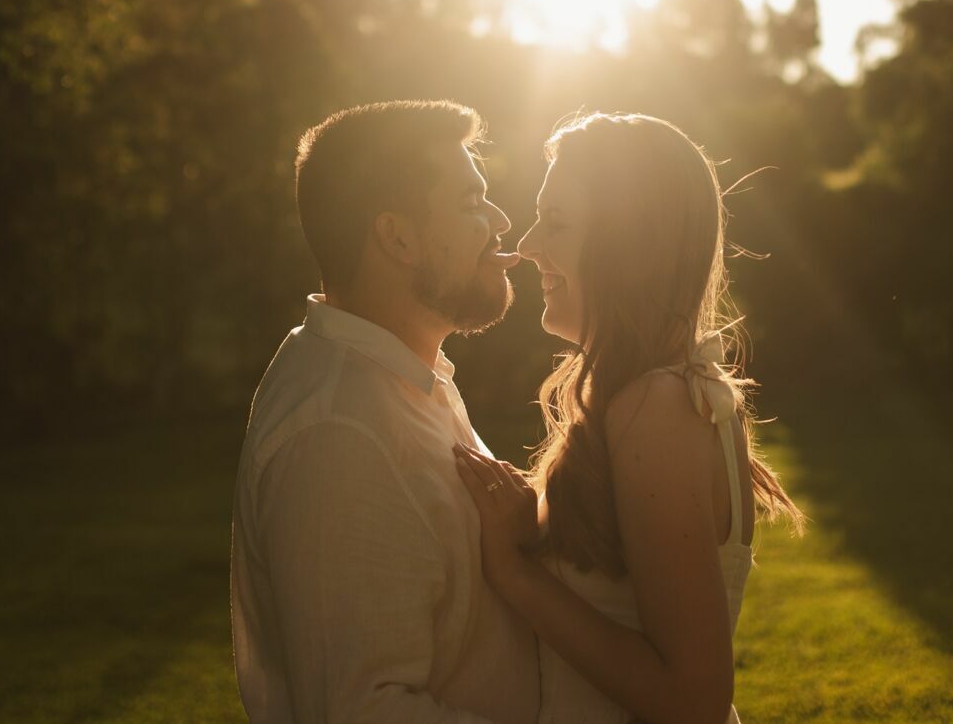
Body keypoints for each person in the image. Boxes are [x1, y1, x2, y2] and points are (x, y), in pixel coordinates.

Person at [453, 112, 803, 724]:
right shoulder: (660, 396)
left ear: (628, 245)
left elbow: (694, 700)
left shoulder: (657, 408)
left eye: (556, 223)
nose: (529, 245)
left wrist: (514, 574)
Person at [229, 99, 540, 723]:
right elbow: (361, 711)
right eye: (470, 202)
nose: (502, 220)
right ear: (397, 236)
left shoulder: (405, 378)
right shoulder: (335, 435)